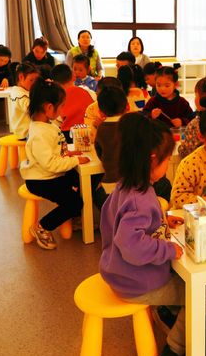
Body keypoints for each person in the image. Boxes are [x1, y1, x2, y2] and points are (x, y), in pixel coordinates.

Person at [98, 112, 190, 356]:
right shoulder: (142, 197)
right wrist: (167, 249)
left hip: (117, 272)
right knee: (202, 294)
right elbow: (131, 246)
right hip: (136, 282)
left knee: (181, 280)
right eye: (167, 160)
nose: (168, 165)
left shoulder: (126, 186)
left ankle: (166, 312)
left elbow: (121, 221)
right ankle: (175, 351)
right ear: (152, 159)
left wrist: (160, 220)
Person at [20, 78, 90, 250]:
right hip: (41, 180)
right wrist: (74, 160)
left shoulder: (46, 124)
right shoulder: (40, 134)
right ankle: (42, 226)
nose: (63, 111)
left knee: (81, 179)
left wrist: (67, 154)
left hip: (49, 174)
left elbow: (53, 150)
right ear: (49, 108)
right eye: (62, 106)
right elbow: (50, 164)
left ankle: (76, 215)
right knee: (74, 202)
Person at [91, 85, 127, 208]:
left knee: (94, 192)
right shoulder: (131, 123)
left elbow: (99, 151)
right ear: (126, 106)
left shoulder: (102, 128)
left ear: (101, 111)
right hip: (135, 181)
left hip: (111, 181)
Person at [50, 64, 94, 143]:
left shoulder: (56, 99)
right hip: (90, 133)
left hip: (68, 137)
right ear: (73, 77)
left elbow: (56, 122)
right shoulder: (89, 92)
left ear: (54, 82)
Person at [143, 65, 194, 130]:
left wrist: (181, 121)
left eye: (167, 86)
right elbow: (143, 116)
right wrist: (151, 115)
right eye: (158, 85)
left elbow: (191, 118)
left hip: (178, 134)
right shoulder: (153, 101)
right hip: (158, 133)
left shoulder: (182, 102)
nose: (162, 89)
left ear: (176, 85)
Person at [84, 77, 125, 143]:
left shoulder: (126, 108)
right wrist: (95, 126)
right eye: (98, 95)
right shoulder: (92, 109)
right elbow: (88, 136)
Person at [9, 63, 40, 140]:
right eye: (31, 80)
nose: (34, 84)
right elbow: (33, 111)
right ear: (21, 77)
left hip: (21, 131)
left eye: (36, 80)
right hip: (25, 133)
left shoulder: (16, 90)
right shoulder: (21, 96)